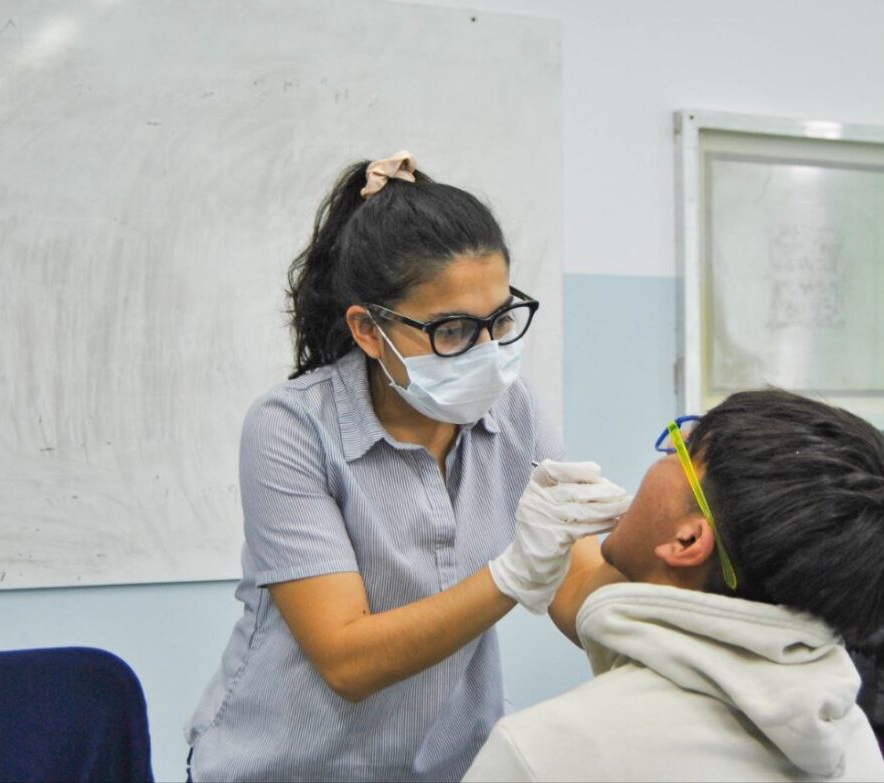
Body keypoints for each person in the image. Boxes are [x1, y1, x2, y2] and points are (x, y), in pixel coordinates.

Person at [185, 151, 630, 782]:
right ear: (369, 331)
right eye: (451, 330)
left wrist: (683, 624)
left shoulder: (513, 405)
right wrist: (511, 574)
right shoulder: (293, 427)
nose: (488, 352)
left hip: (451, 767)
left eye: (501, 321)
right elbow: (347, 658)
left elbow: (576, 584)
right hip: (289, 767)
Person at [463, 389, 884, 782]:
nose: (663, 457)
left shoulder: (543, 752)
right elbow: (594, 596)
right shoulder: (847, 737)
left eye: (683, 452)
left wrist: (513, 572)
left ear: (688, 539)